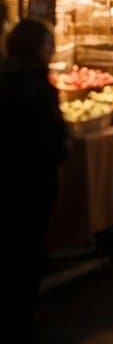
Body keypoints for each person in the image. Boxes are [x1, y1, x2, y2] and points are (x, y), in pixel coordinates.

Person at [1, 20, 68, 341]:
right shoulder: (38, 88)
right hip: (32, 181)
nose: (51, 50)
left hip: (17, 179)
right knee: (27, 251)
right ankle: (21, 319)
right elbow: (51, 140)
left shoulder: (9, 80)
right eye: (47, 45)